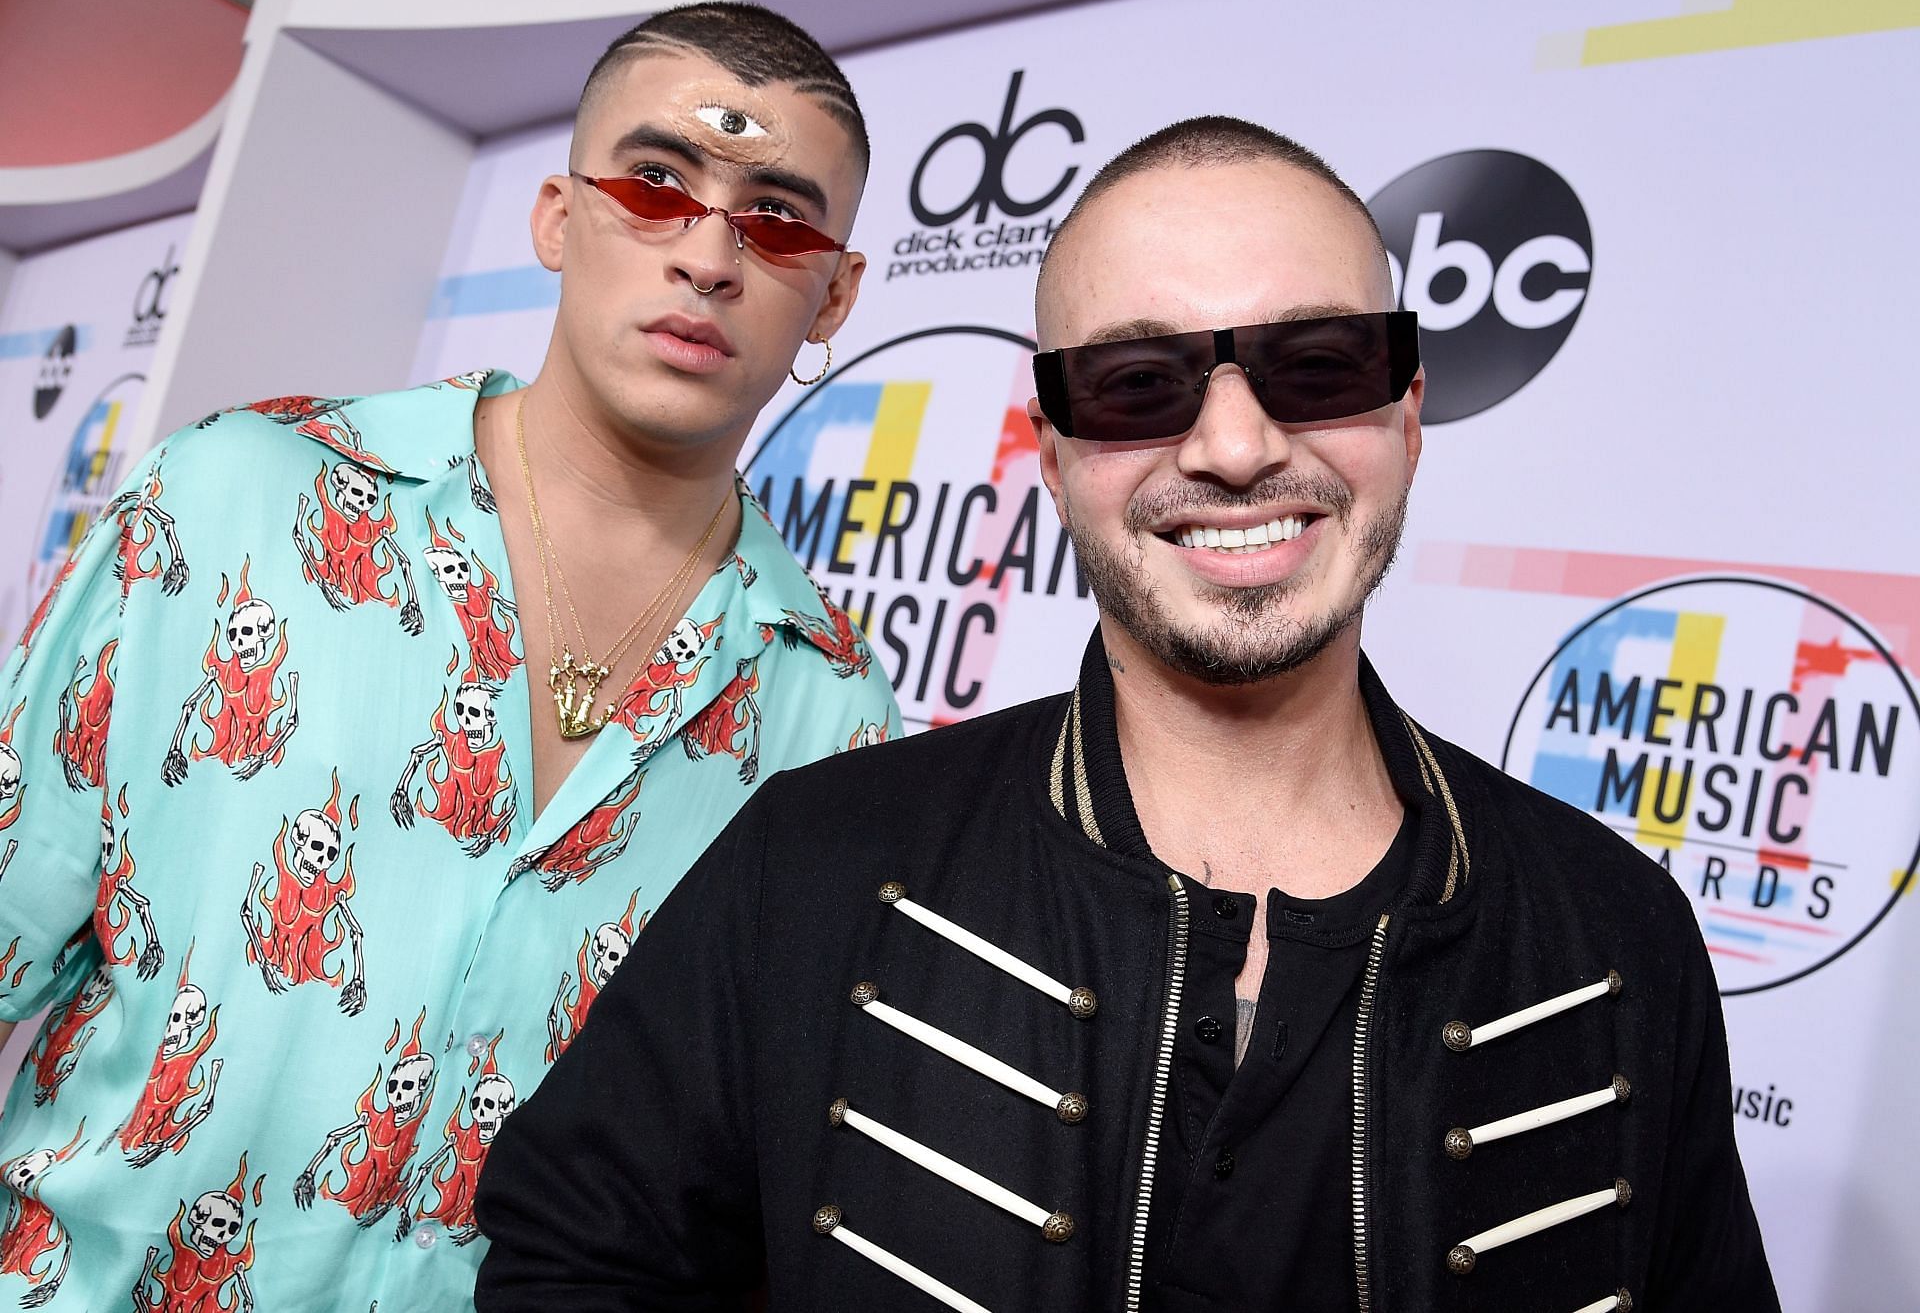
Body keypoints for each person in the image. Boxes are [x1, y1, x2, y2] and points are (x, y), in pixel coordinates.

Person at [474, 116, 1779, 1312]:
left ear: (1409, 411)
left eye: (1316, 363)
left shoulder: (1615, 937)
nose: (1232, 447)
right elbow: (574, 1258)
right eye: (1138, 383)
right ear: (1050, 455)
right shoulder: (819, 862)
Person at [0, 1, 897, 1310]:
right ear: (555, 216)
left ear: (837, 293)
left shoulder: (832, 718)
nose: (709, 257)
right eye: (655, 184)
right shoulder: (233, 503)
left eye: (776, 218)